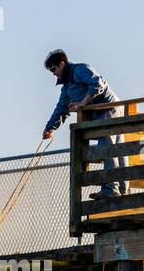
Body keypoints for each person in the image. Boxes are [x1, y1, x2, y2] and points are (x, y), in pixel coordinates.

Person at [41, 49, 127, 201]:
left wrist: (82, 103)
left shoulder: (80, 69)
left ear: (62, 64)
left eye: (54, 69)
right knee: (115, 148)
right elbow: (61, 108)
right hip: (102, 113)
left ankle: (112, 189)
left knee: (107, 147)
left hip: (109, 108)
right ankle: (120, 189)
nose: (54, 73)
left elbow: (97, 84)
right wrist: (49, 128)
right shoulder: (67, 87)